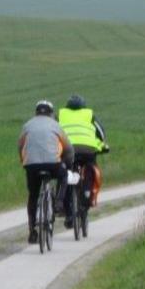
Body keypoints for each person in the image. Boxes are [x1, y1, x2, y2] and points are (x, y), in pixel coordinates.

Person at [18, 100, 74, 244]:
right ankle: (59, 202)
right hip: (52, 164)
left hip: (31, 165)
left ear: (36, 112)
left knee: (33, 195)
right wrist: (68, 163)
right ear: (51, 112)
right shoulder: (56, 125)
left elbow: (21, 146)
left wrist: (23, 161)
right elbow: (68, 148)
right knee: (63, 176)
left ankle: (32, 231)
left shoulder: (27, 125)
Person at [58, 94, 108, 228]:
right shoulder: (89, 114)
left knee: (65, 174)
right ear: (83, 106)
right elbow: (101, 132)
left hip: (67, 149)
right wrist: (103, 144)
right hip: (87, 149)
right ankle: (87, 192)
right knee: (91, 166)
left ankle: (67, 211)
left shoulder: (62, 115)